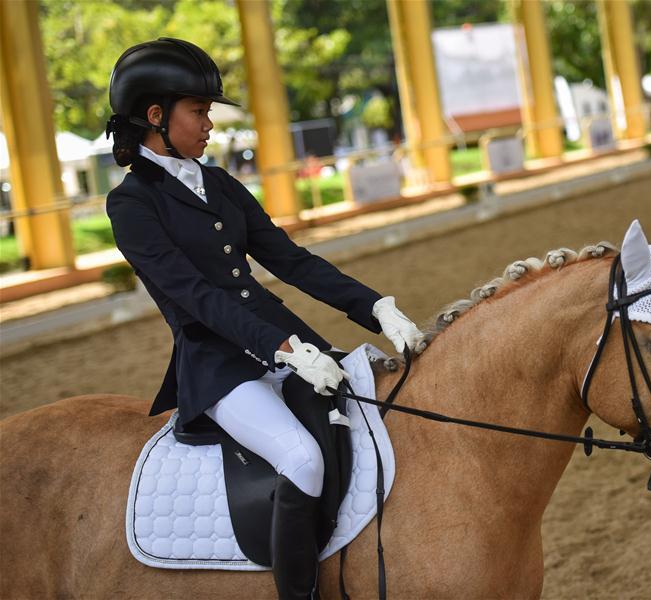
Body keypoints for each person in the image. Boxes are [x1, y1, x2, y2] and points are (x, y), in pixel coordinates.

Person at [104, 38, 424, 599]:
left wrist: (374, 307)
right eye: (199, 111)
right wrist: (282, 347)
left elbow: (289, 259)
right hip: (218, 367)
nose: (210, 125)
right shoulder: (132, 204)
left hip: (287, 343)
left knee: (372, 418)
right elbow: (196, 297)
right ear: (155, 116)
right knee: (301, 460)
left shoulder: (219, 182)